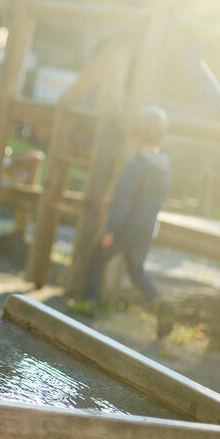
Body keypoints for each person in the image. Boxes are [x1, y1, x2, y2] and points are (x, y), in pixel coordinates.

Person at [78, 105, 173, 337]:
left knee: (97, 257)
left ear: (137, 134)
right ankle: (159, 302)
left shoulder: (136, 165)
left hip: (125, 227)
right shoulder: (165, 168)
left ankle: (88, 302)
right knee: (136, 271)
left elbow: (123, 199)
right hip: (146, 230)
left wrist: (111, 229)